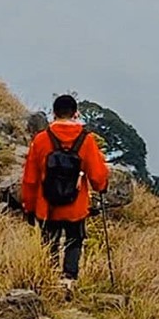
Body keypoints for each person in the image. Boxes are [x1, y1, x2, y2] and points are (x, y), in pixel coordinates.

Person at [21, 94, 109, 293]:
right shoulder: (86, 140)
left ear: (54, 113)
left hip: (47, 206)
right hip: (75, 206)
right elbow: (97, 174)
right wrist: (102, 186)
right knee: (74, 240)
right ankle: (68, 280)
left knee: (49, 241)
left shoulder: (41, 140)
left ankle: (48, 279)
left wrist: (29, 206)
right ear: (75, 113)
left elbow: (30, 179)